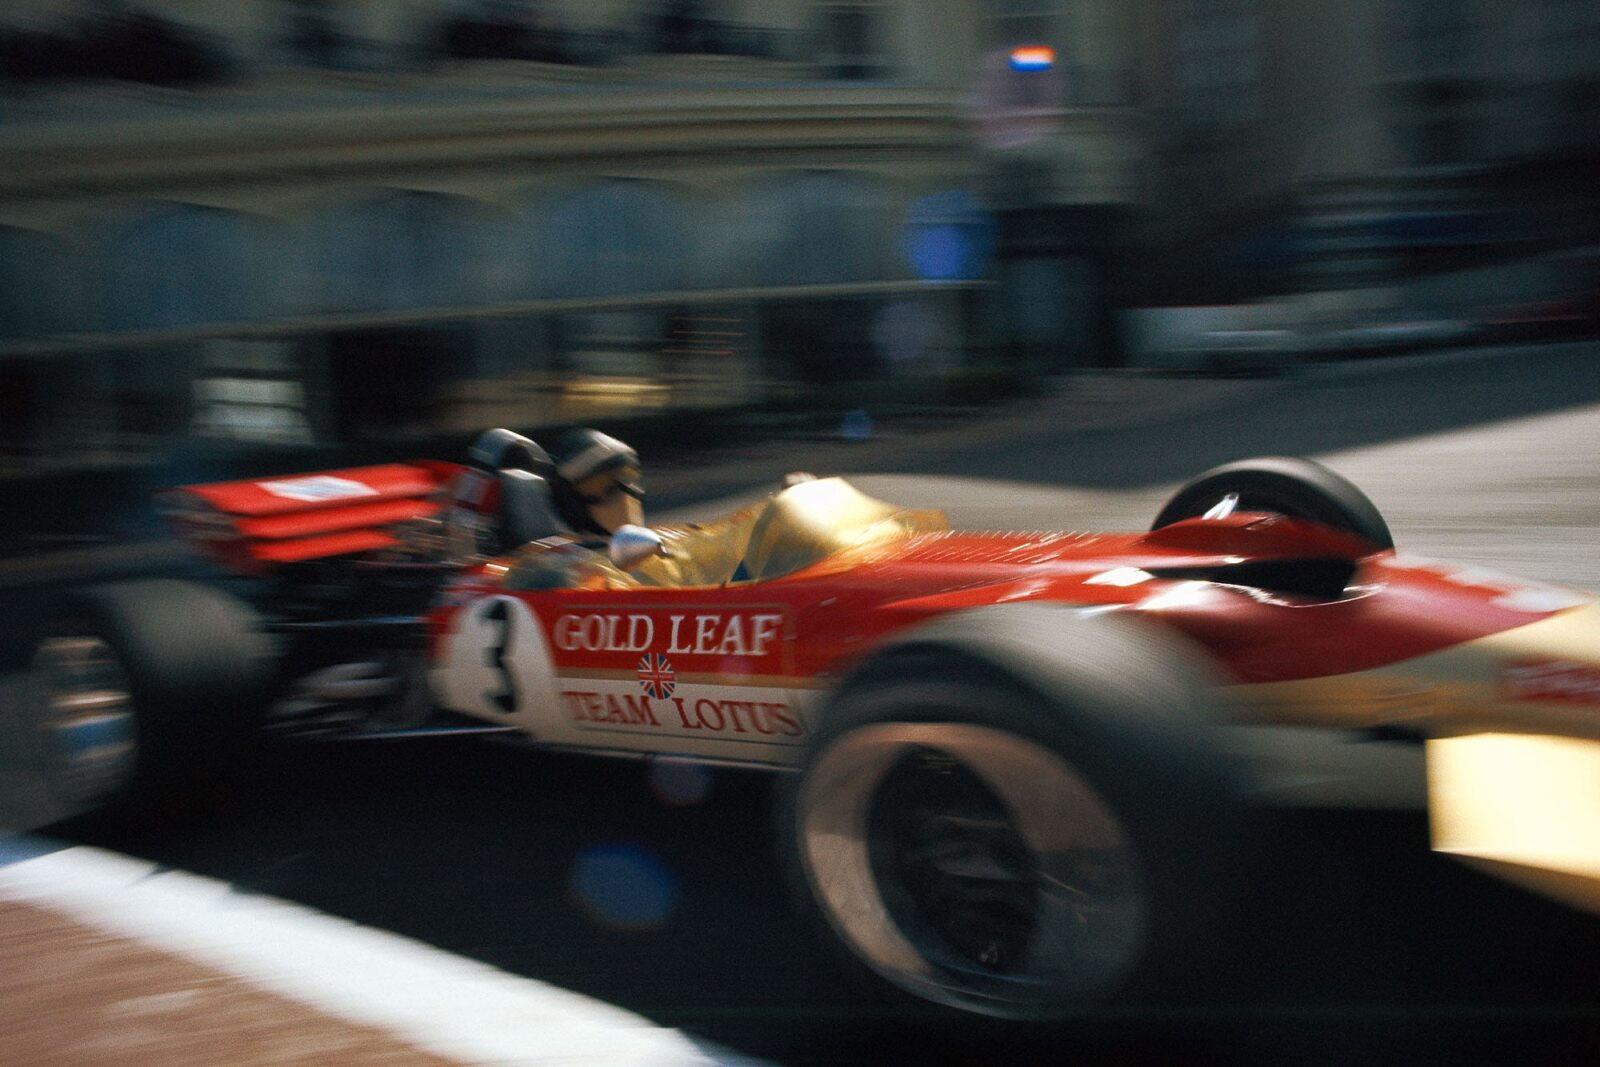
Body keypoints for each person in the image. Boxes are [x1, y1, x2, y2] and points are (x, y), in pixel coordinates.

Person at [545, 427, 645, 539]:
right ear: (572, 505)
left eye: (629, 481)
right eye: (609, 488)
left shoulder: (657, 545)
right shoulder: (550, 554)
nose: (625, 498)